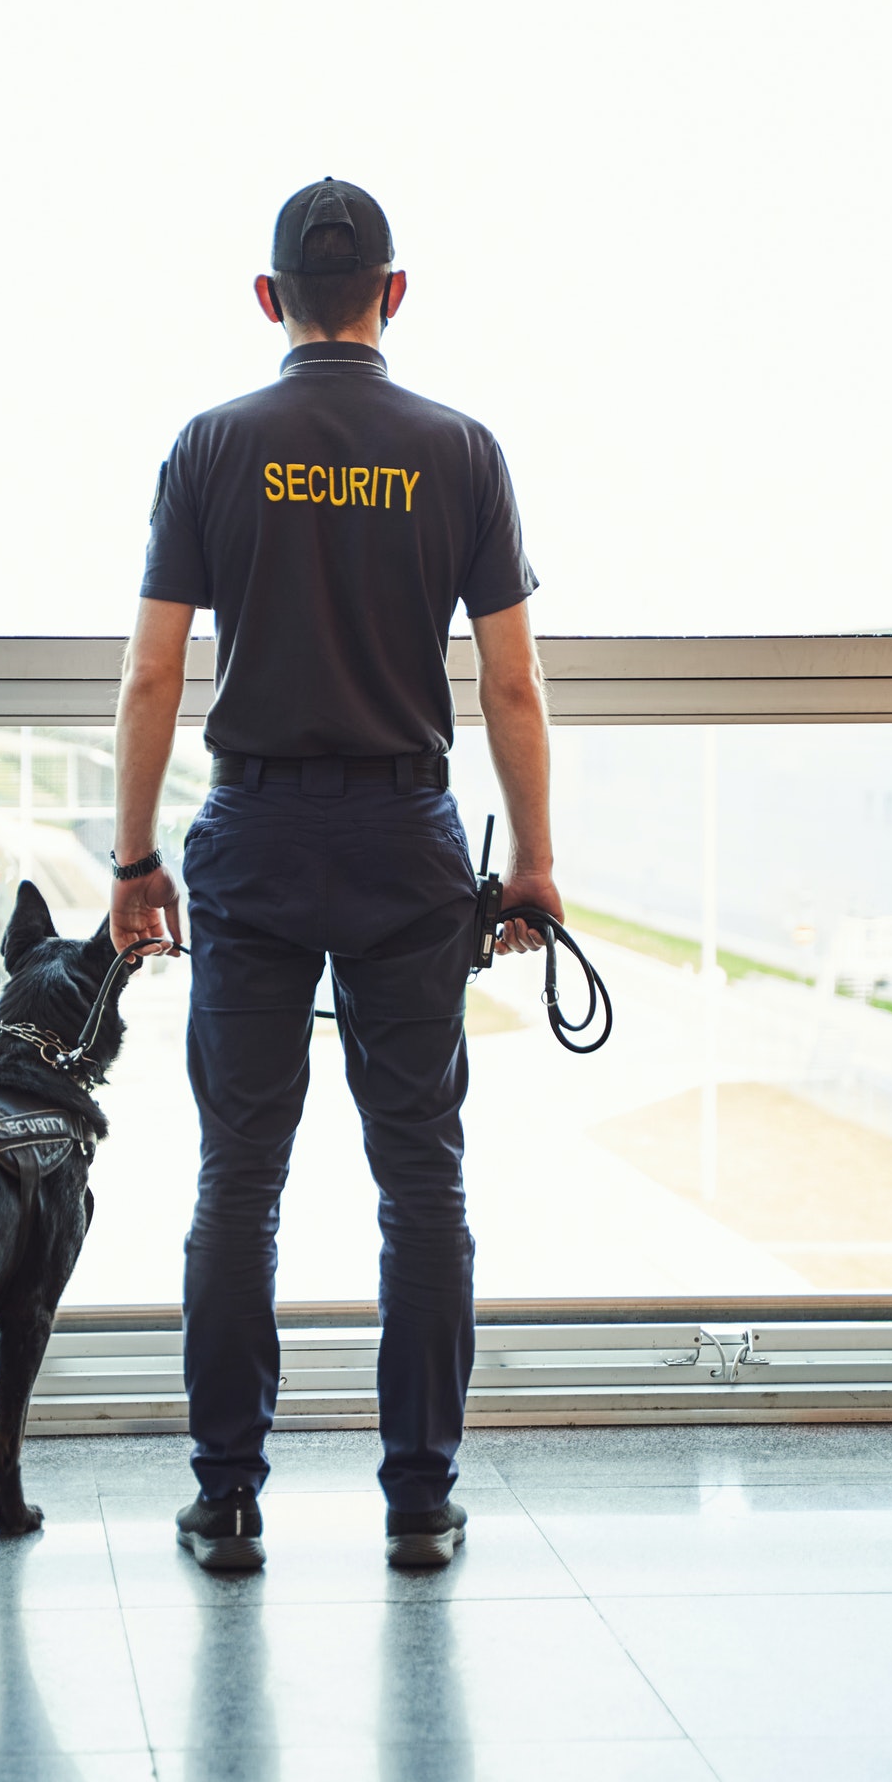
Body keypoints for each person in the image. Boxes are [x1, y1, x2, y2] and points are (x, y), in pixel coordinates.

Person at [109, 178, 559, 1570]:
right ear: (392, 294)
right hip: (403, 837)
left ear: (268, 302)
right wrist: (533, 861)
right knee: (420, 1178)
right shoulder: (460, 451)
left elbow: (152, 672)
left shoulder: (212, 445)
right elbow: (509, 687)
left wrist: (131, 859)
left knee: (237, 1177)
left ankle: (226, 1496)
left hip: (251, 831)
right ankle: (418, 1502)